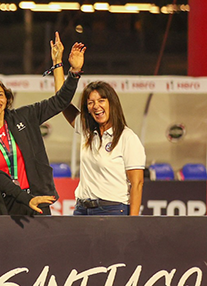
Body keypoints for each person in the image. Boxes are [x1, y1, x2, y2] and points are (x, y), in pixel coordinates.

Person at [0, 34, 84, 215]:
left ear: (7, 98)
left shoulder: (25, 116)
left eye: (0, 94)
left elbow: (60, 101)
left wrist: (70, 70)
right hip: (0, 205)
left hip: (36, 200)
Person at [61, 81, 146, 216]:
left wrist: (132, 223)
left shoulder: (127, 138)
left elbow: (137, 183)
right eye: (90, 103)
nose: (96, 106)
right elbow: (61, 100)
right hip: (82, 209)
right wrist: (59, 65)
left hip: (112, 210)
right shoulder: (87, 131)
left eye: (101, 100)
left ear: (112, 103)